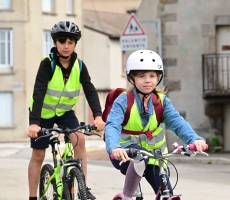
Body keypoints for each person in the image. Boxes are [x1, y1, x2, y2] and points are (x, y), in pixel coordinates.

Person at [104, 50, 207, 200]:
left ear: (158, 77)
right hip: (125, 154)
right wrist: (115, 147)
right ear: (132, 78)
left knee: (167, 194)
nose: (147, 80)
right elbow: (112, 125)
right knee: (140, 158)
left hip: (154, 157)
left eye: (152, 76)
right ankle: (126, 196)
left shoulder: (161, 102)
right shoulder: (123, 100)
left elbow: (178, 123)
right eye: (141, 76)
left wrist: (194, 139)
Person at [27, 21, 105, 200]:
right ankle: (32, 196)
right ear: (55, 43)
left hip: (65, 112)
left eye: (71, 42)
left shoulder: (79, 66)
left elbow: (90, 90)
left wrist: (98, 116)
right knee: (38, 154)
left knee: (79, 140)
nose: (66, 46)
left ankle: (83, 187)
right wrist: (34, 123)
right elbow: (38, 93)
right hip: (42, 114)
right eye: (62, 42)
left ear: (75, 44)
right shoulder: (47, 64)